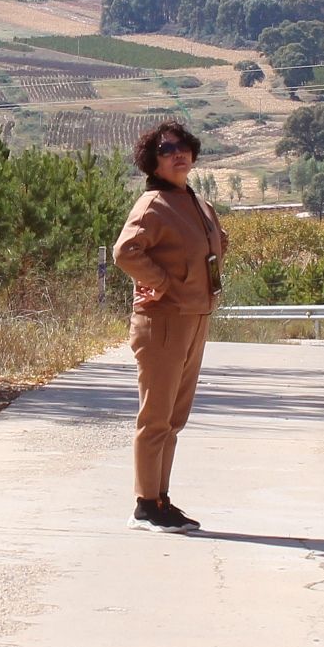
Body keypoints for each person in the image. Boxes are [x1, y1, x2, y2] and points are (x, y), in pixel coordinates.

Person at [112, 120, 229, 532]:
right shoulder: (153, 204)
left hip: (195, 317)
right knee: (156, 417)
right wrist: (162, 283)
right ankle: (145, 505)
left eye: (183, 147)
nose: (178, 153)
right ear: (153, 162)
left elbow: (217, 242)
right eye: (167, 150)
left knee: (174, 419)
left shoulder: (196, 201)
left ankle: (161, 499)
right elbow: (125, 252)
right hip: (162, 321)